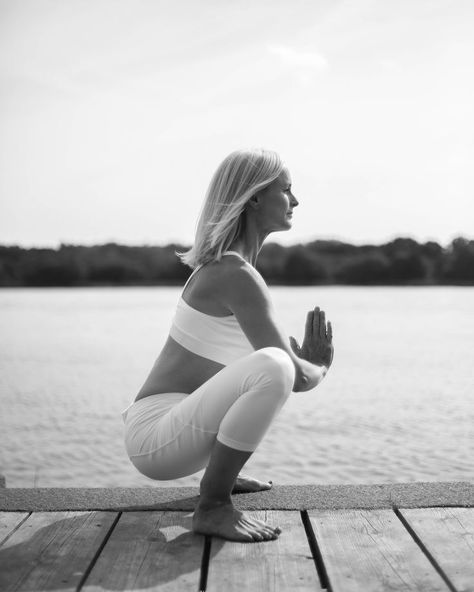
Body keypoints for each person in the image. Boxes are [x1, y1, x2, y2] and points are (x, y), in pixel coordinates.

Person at [121, 148, 334, 542]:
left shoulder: (232, 269)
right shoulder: (234, 273)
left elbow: (239, 378)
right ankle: (213, 505)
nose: (296, 200)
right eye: (286, 190)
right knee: (274, 366)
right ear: (254, 197)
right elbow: (292, 375)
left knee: (272, 365)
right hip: (156, 437)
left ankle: (222, 478)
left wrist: (294, 363)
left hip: (176, 432)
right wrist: (316, 365)